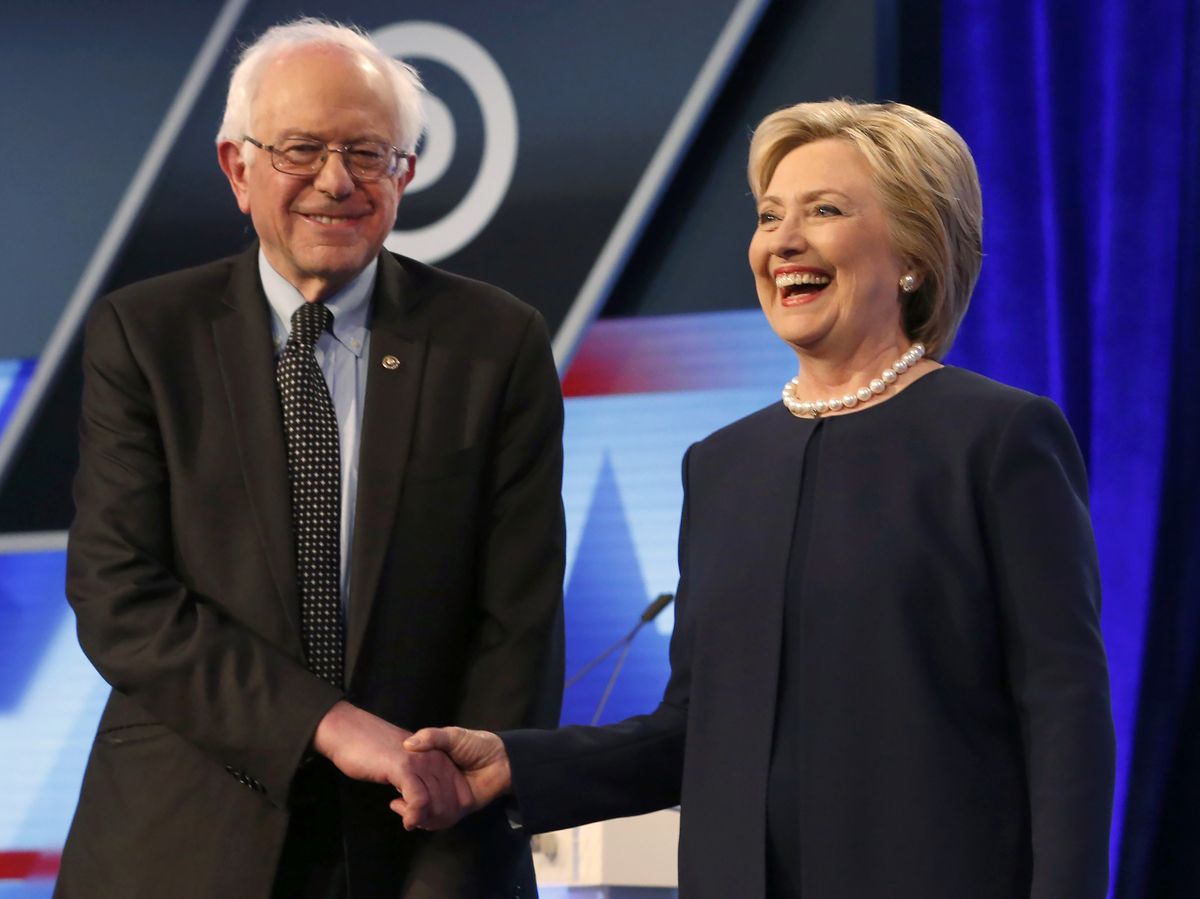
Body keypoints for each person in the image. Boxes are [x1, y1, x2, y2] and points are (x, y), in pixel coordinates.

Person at [400, 100, 1117, 899]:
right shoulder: (723, 465)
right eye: (770, 215)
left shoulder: (998, 437)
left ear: (913, 254)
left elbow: (1065, 713)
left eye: (826, 210)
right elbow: (692, 731)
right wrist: (519, 763)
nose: (784, 241)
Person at [57, 18, 564, 899]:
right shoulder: (144, 336)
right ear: (237, 167)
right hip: (178, 842)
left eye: (368, 153)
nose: (337, 182)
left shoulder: (496, 343)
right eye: (301, 149)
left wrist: (458, 825)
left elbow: (515, 624)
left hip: (417, 840)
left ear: (404, 173)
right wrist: (325, 722)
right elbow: (118, 593)